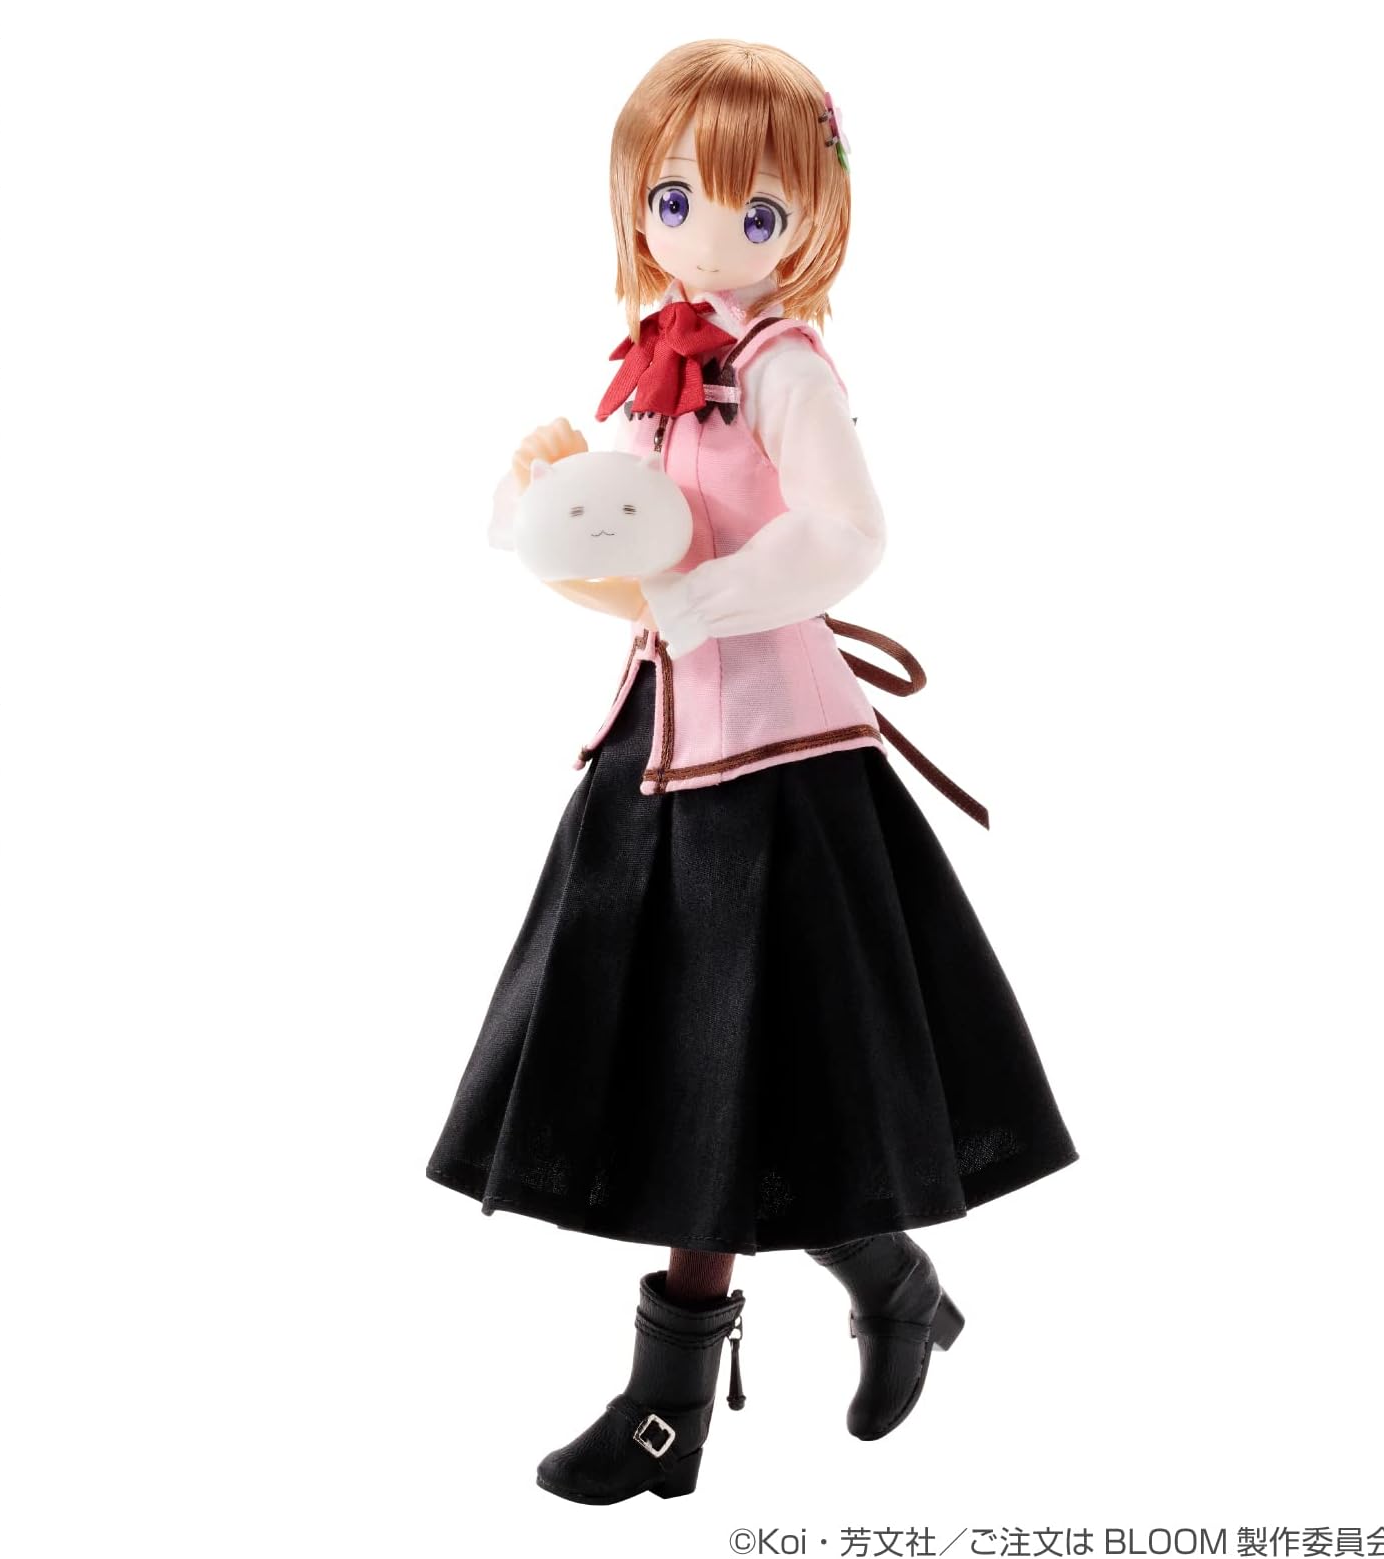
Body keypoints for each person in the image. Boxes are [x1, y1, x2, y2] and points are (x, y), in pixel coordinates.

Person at [427, 38, 1080, 1504]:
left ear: (809, 219)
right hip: (657, 745)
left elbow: (846, 534)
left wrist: (710, 599)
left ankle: (669, 1413)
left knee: (729, 1062)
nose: (708, 236)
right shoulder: (663, 355)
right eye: (674, 201)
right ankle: (886, 1283)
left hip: (774, 763)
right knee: (706, 1067)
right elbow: (617, 533)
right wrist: (534, 498)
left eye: (755, 210)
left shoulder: (784, 367)